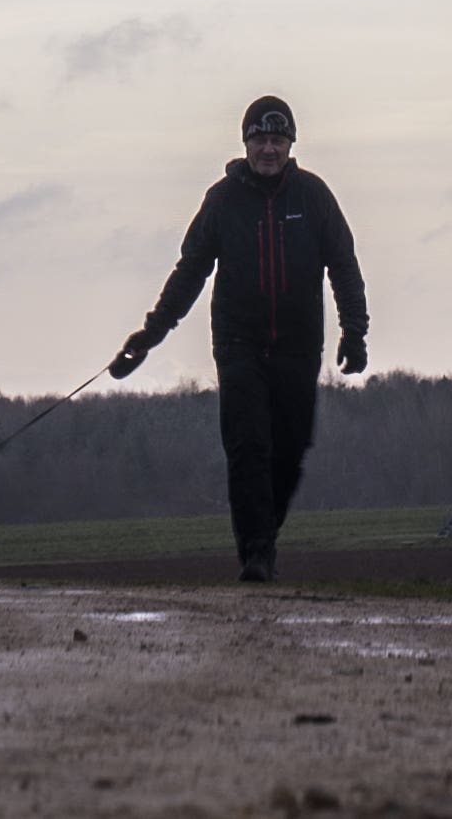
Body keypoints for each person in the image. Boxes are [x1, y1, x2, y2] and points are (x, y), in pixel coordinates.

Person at [112, 93, 368, 581]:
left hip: (297, 345)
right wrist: (149, 335)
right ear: (245, 145)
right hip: (238, 346)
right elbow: (190, 272)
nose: (268, 149)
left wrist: (354, 333)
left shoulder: (314, 196)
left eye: (277, 140)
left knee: (290, 453)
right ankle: (256, 552)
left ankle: (263, 534)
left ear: (291, 145)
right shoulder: (222, 201)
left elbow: (345, 266)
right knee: (248, 447)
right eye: (260, 140)